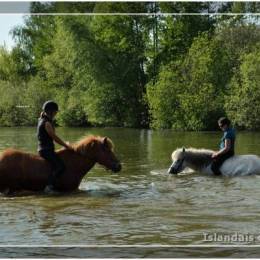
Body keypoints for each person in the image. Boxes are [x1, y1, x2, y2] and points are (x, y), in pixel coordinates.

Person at [37, 100, 73, 192]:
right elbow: (54, 137)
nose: (56, 113)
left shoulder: (42, 120)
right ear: (51, 112)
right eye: (55, 112)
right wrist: (66, 145)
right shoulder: (47, 123)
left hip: (45, 149)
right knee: (61, 167)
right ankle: (48, 187)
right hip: (46, 150)